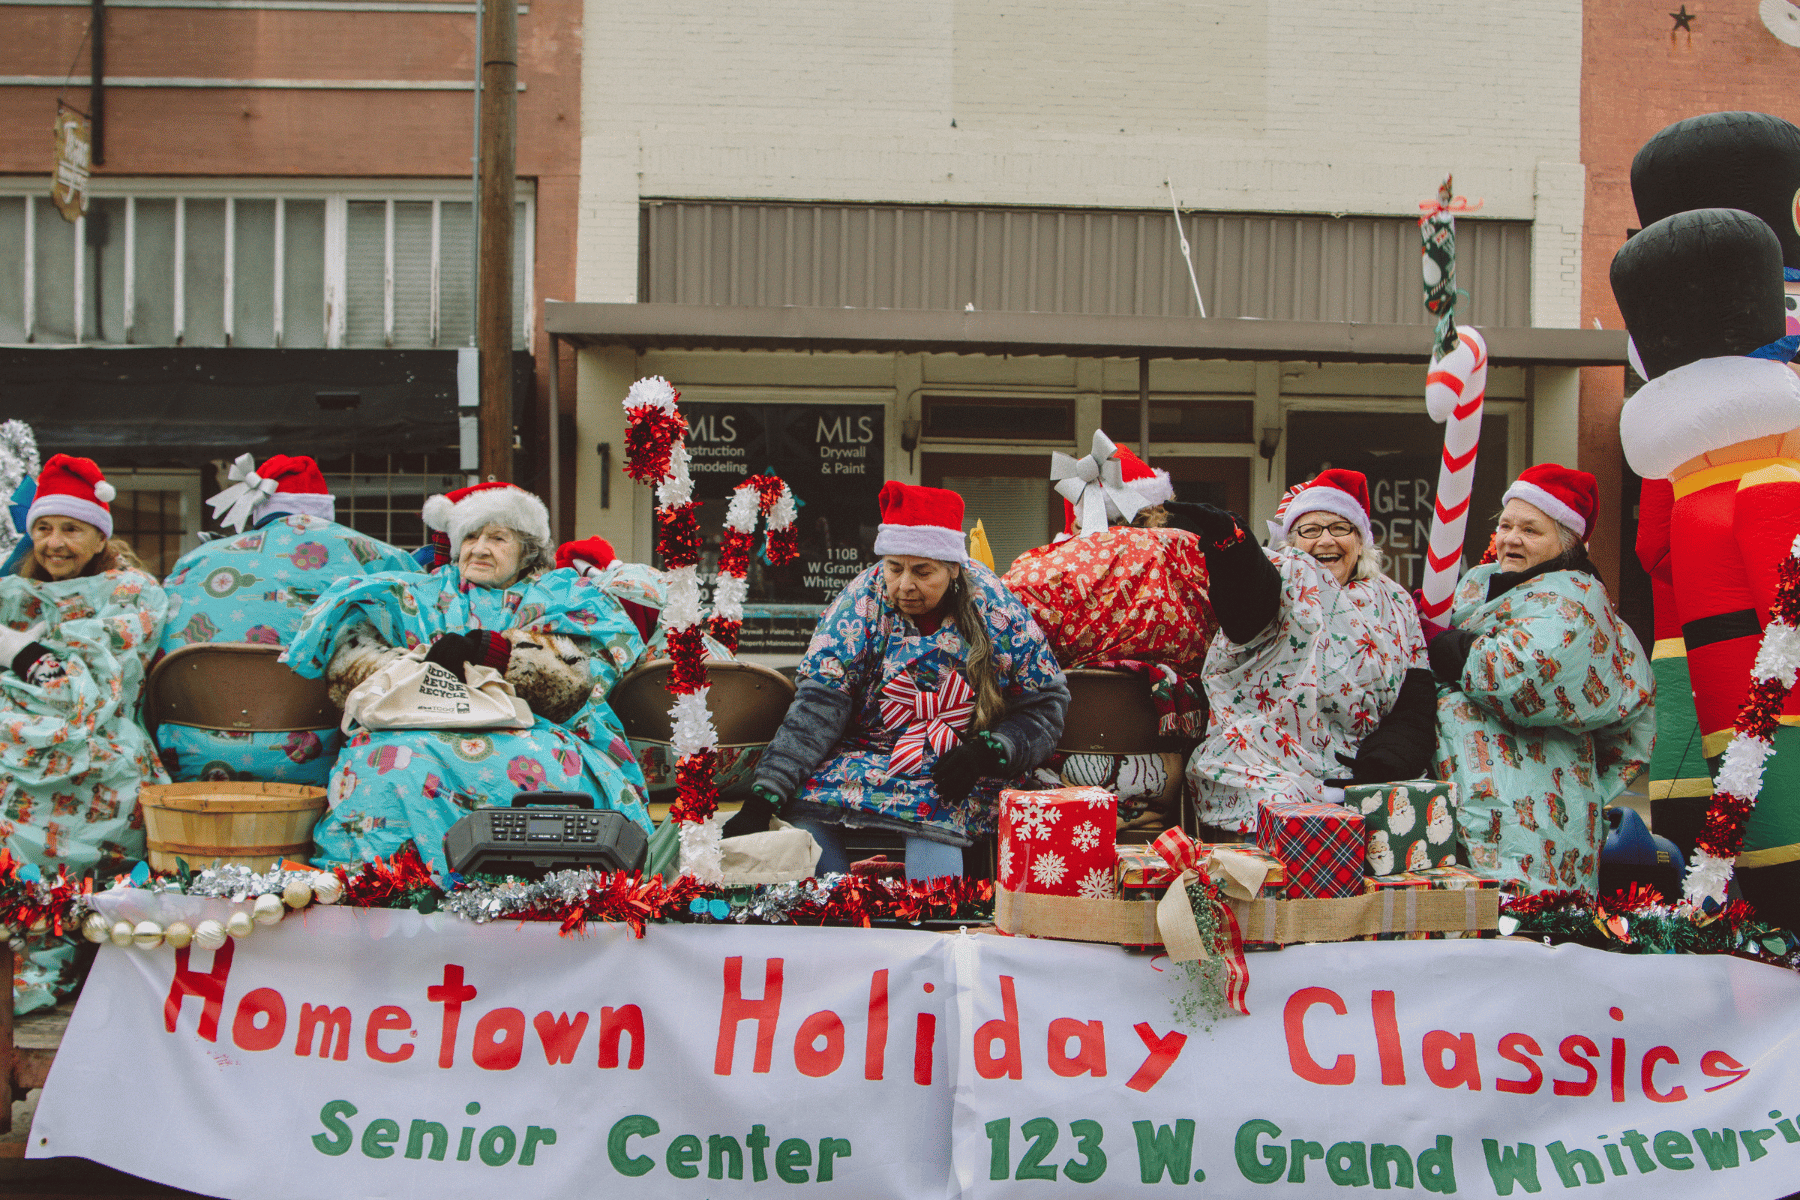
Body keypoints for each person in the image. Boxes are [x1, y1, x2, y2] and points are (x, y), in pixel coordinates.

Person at [281, 482, 652, 871]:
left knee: (538, 765)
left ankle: (524, 885)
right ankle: (390, 884)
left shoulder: (566, 595)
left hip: (538, 728)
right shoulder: (416, 593)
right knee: (387, 763)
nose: (479, 548)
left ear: (527, 550)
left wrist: (499, 653)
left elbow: (591, 672)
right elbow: (350, 659)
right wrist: (415, 666)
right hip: (415, 724)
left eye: (498, 537)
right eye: (471, 536)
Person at [1616, 205, 1800, 924]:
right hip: (1769, 722)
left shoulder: (1684, 491)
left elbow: (1651, 553)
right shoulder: (1769, 485)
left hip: (1704, 708)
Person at [751, 482, 1068, 879]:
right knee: (802, 813)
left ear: (954, 569)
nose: (904, 585)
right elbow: (819, 704)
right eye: (894, 568)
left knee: (934, 822)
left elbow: (1044, 705)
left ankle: (929, 922)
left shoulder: (995, 607)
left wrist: (989, 752)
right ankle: (839, 913)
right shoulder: (861, 603)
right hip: (868, 757)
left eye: (923, 572)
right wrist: (767, 791)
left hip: (959, 764)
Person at [1429, 465, 1654, 894]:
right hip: (1463, 806)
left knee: (1528, 938)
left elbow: (1517, 678)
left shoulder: (1575, 602)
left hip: (1532, 824)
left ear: (1566, 542)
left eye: (1531, 530)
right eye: (1506, 525)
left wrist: (1442, 643)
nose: (1511, 538)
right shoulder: (1484, 587)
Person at [1174, 469, 1433, 835]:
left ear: (1361, 541)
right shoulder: (1285, 578)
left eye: (1340, 528)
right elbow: (1247, 605)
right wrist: (1233, 547)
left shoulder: (1395, 602)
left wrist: (1379, 768)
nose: (1325, 540)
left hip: (1365, 771)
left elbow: (1415, 698)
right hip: (1268, 765)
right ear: (1291, 542)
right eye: (1310, 530)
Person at [1, 455, 169, 1012]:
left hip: (101, 745)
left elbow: (83, 682)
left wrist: (21, 653)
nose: (55, 542)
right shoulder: (13, 597)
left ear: (99, 537)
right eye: (44, 529)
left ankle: (60, 957)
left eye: (71, 529)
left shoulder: (134, 594)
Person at [155, 454, 418, 785]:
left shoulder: (193, 561)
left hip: (192, 754)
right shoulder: (380, 558)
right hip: (320, 759)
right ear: (325, 512)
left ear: (258, 510)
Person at [1004, 432, 1214, 838]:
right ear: (1153, 509)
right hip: (1158, 780)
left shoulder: (1038, 572)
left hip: (1058, 775)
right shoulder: (1188, 559)